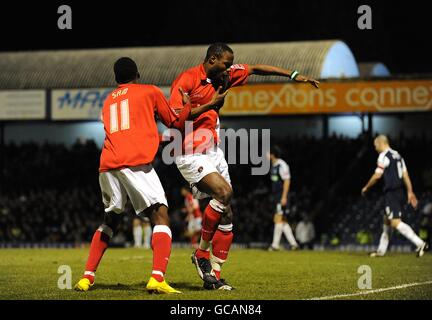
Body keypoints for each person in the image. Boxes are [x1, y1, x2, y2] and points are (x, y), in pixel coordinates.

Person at [169, 43, 319, 290]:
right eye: (226, 64)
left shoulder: (223, 75)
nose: (230, 70)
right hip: (188, 150)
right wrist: (211, 104)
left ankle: (214, 277)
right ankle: (201, 254)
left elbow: (256, 68)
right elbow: (175, 118)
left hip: (213, 150)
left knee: (227, 213)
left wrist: (293, 75)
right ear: (213, 59)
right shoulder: (186, 80)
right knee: (224, 193)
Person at [74, 57, 194, 294]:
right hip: (134, 163)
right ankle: (157, 278)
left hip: (108, 165)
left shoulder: (108, 101)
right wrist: (188, 106)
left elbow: (127, 132)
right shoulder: (150, 91)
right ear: (137, 74)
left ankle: (87, 277)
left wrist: (157, 140)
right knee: (161, 216)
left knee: (111, 220)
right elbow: (176, 122)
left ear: (116, 79)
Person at [361, 135, 428, 257]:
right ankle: (381, 251)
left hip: (392, 193)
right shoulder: (398, 155)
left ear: (381, 143)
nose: (375, 148)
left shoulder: (384, 156)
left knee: (395, 222)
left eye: (375, 145)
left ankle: (420, 243)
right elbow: (405, 175)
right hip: (400, 192)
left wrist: (366, 187)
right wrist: (410, 191)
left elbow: (377, 175)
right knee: (387, 221)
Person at [268, 145, 299, 251]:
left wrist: (284, 197)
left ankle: (274, 245)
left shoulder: (282, 165)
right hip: (277, 196)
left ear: (272, 155)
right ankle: (294, 244)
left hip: (282, 196)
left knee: (278, 219)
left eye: (268, 153)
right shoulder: (273, 165)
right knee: (283, 221)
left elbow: (287, 180)